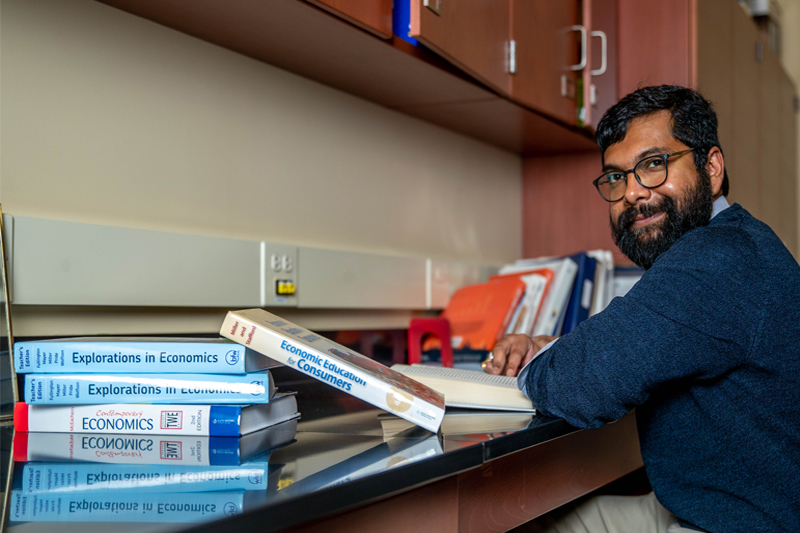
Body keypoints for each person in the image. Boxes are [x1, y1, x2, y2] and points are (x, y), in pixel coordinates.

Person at [484, 85, 800, 533]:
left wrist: (537, 364)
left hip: (746, 522)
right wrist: (549, 347)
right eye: (616, 177)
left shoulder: (716, 260)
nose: (632, 192)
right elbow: (637, 343)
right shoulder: (736, 243)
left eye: (653, 164)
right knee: (526, 520)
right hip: (712, 503)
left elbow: (586, 383)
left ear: (711, 167)